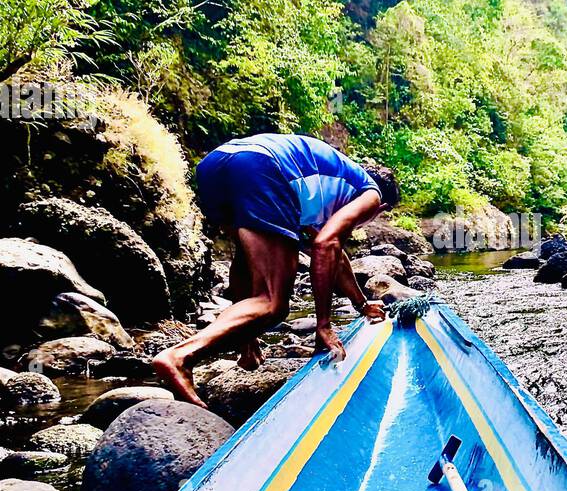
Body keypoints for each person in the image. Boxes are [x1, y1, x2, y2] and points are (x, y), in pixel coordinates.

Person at [153, 133, 398, 407]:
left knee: (247, 260)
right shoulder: (370, 195)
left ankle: (244, 341)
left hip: (216, 165)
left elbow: (335, 256)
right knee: (273, 303)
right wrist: (324, 326)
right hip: (261, 167)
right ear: (382, 208)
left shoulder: (325, 184)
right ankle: (181, 357)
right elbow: (325, 244)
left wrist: (361, 304)